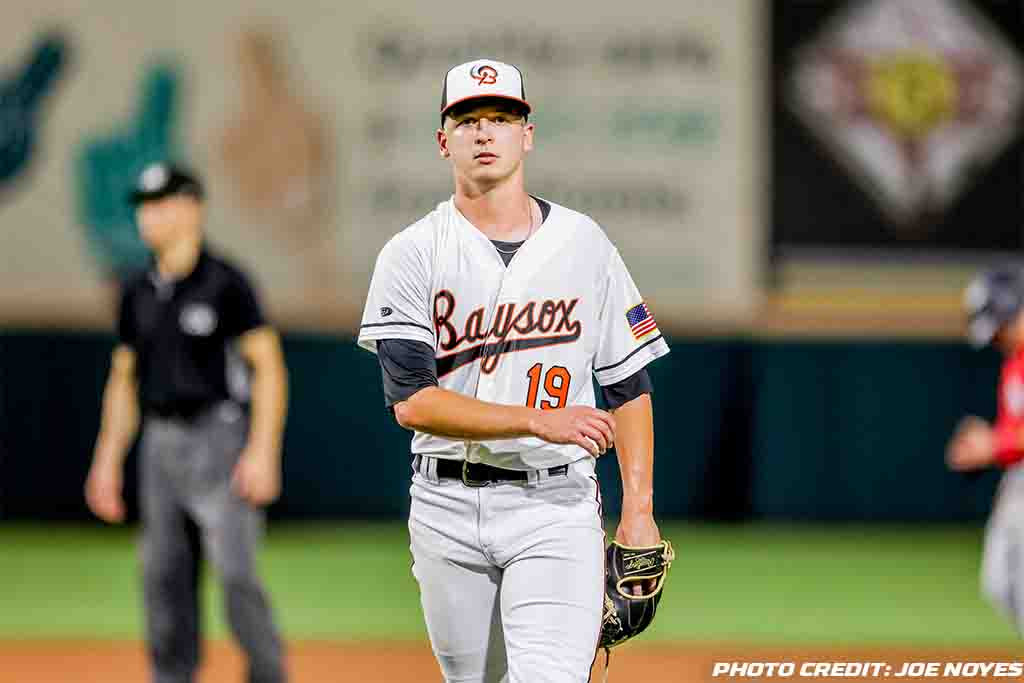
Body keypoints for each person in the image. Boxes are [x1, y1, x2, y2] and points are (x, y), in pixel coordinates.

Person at [357, 59, 670, 682]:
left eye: (502, 118)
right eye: (467, 119)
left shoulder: (585, 243)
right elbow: (413, 403)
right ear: (444, 140)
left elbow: (628, 381)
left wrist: (640, 507)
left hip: (555, 503)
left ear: (527, 134)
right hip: (445, 503)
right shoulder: (412, 253)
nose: (484, 132)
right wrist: (540, 420)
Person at [84, 162, 289, 683]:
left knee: (237, 574)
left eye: (160, 203)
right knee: (163, 576)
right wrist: (107, 459)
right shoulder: (137, 291)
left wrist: (263, 450)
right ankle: (171, 676)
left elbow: (268, 368)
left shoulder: (226, 283)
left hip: (219, 440)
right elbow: (123, 378)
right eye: (144, 206)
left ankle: (268, 674)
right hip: (160, 444)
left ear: (192, 207)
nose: (147, 215)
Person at [947, 265, 1024, 635]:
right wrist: (990, 441)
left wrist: (995, 443)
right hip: (1018, 480)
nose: (996, 338)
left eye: (1000, 326)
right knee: (998, 583)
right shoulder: (1014, 363)